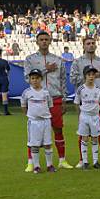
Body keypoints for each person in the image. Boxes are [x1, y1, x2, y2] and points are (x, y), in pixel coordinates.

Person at [23, 32, 72, 170]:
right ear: (37, 42)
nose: (44, 42)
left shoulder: (58, 59)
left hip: (55, 98)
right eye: (41, 40)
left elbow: (63, 80)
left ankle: (62, 160)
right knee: (34, 133)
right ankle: (31, 162)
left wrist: (63, 99)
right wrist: (45, 70)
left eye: (46, 39)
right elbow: (27, 78)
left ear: (50, 41)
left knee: (58, 129)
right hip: (37, 101)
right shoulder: (30, 59)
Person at [70, 36, 100, 166]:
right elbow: (72, 79)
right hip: (85, 102)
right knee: (83, 131)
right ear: (83, 46)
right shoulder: (77, 62)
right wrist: (88, 76)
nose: (91, 45)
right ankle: (82, 160)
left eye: (93, 43)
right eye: (88, 43)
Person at [23, 68, 56, 174]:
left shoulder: (46, 92)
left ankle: (49, 165)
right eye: (32, 78)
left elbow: (50, 106)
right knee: (34, 145)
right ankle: (36, 166)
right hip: (33, 122)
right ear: (29, 80)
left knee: (47, 144)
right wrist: (31, 116)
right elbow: (24, 106)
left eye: (37, 78)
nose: (35, 80)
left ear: (41, 79)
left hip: (45, 121)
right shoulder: (27, 92)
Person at [74, 66, 100, 169]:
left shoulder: (98, 90)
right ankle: (85, 162)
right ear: (85, 76)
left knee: (95, 138)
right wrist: (79, 116)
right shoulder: (81, 89)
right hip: (84, 116)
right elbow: (77, 103)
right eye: (89, 75)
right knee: (84, 138)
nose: (91, 77)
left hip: (95, 117)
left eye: (93, 75)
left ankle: (96, 161)